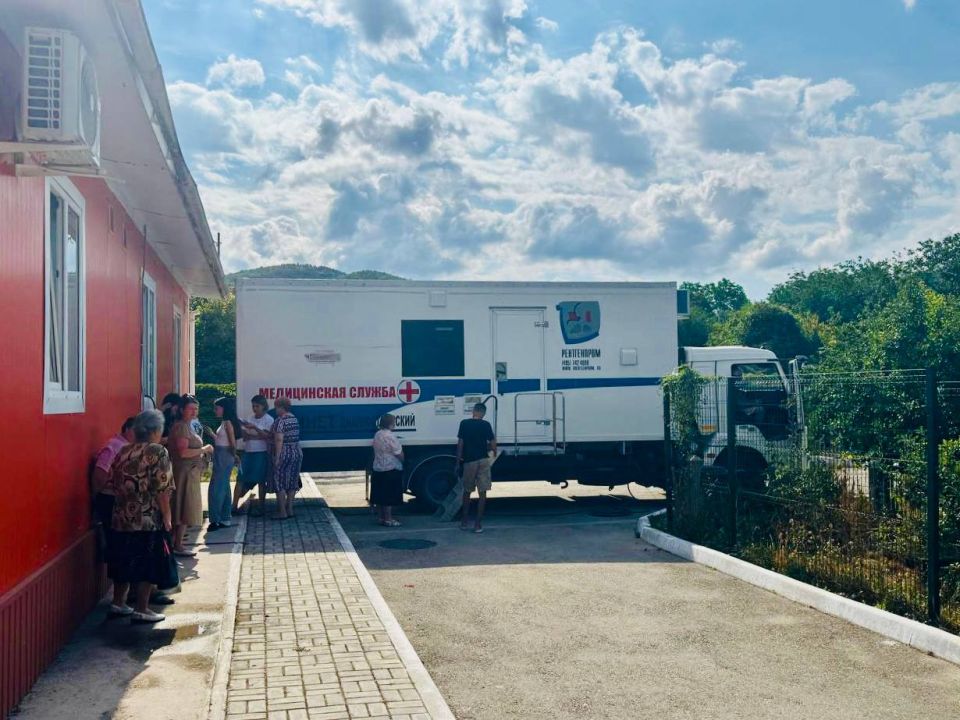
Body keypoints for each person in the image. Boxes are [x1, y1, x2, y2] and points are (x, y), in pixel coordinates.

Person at [105, 409, 177, 624]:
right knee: (148, 561)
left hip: (121, 515)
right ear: (155, 431)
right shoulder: (157, 451)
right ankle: (142, 608)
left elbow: (112, 480)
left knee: (123, 559)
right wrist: (167, 516)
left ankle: (118, 602)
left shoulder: (124, 450)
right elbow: (162, 488)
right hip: (146, 517)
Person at [169, 394, 213, 555]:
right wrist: (204, 449)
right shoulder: (182, 427)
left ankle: (177, 542)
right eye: (191, 409)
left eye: (196, 409)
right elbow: (183, 452)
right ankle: (178, 545)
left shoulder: (187, 425)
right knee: (184, 507)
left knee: (185, 507)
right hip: (184, 472)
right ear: (182, 410)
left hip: (190, 471)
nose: (194, 412)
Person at [457, 403, 497, 533]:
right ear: (483, 413)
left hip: (469, 462)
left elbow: (460, 444)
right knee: (482, 492)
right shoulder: (486, 425)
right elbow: (492, 443)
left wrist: (458, 461)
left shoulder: (464, 424)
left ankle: (464, 522)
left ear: (473, 411)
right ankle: (478, 524)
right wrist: (494, 452)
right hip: (483, 461)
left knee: (467, 491)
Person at [232, 395, 274, 516]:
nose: (254, 409)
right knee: (240, 478)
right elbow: (246, 437)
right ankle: (234, 506)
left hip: (261, 452)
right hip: (248, 452)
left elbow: (267, 436)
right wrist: (243, 430)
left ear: (263, 406)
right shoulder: (250, 418)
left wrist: (254, 428)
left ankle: (261, 507)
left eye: (257, 406)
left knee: (261, 480)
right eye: (253, 406)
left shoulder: (268, 419)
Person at [268, 396, 302, 520]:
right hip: (296, 452)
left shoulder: (280, 421)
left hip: (284, 453)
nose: (275, 410)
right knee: (292, 482)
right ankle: (290, 510)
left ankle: (282, 512)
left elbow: (279, 439)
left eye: (276, 407)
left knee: (279, 482)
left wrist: (277, 457)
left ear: (281, 407)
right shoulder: (294, 419)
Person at [208, 396, 240, 531]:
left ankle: (215, 520)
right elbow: (224, 440)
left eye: (217, 408)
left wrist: (234, 455)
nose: (215, 411)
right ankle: (225, 518)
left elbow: (232, 442)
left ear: (223, 408)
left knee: (216, 488)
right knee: (224, 487)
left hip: (224, 455)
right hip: (223, 454)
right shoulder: (224, 422)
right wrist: (212, 435)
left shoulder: (227, 422)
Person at [371, 414, 404, 527]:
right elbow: (398, 453)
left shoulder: (377, 434)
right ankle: (389, 519)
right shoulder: (390, 436)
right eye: (394, 422)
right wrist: (403, 460)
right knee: (389, 496)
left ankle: (381, 518)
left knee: (380, 495)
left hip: (378, 467)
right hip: (390, 468)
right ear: (390, 424)